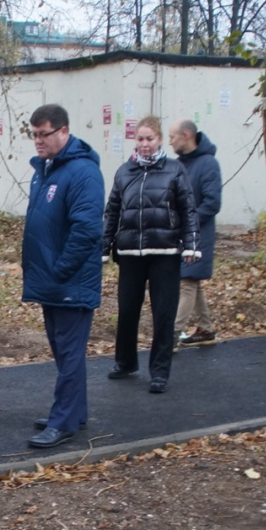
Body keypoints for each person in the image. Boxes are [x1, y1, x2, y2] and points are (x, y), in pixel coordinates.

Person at [22, 104, 105, 448]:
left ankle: (63, 422)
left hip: (69, 279)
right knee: (62, 351)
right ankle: (74, 411)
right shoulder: (45, 170)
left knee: (69, 353)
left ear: (64, 132)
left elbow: (87, 229)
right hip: (50, 280)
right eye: (34, 134)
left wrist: (61, 269)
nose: (38, 141)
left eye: (44, 134)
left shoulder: (83, 172)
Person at [103, 116, 200, 394]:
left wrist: (192, 244)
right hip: (131, 252)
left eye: (150, 139)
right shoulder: (124, 172)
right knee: (127, 310)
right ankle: (125, 362)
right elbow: (112, 212)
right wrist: (105, 246)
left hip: (165, 252)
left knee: (163, 314)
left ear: (158, 140)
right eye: (140, 139)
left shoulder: (174, 169)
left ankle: (159, 372)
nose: (145, 145)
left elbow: (188, 209)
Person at [168, 119, 223, 348]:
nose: (169, 141)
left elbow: (212, 203)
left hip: (198, 236)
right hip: (182, 234)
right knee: (192, 281)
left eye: (173, 137)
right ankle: (206, 329)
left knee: (187, 282)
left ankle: (170, 334)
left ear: (187, 135)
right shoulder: (179, 165)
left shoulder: (208, 164)